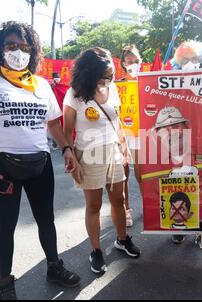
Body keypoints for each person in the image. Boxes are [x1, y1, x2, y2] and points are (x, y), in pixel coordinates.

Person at [0, 21, 81, 300]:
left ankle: (54, 266)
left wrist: (66, 150)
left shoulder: (40, 85)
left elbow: (52, 125)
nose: (18, 51)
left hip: (39, 164)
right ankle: (5, 282)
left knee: (46, 220)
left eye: (25, 47)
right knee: (6, 226)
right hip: (2, 167)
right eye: (11, 45)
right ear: (0, 49)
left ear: (34, 52)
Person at [63, 47, 141, 275]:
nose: (109, 80)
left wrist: (124, 147)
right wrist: (71, 157)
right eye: (105, 76)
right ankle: (96, 250)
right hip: (88, 155)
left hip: (114, 152)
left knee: (120, 199)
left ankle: (122, 239)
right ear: (89, 74)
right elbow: (67, 131)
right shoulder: (74, 95)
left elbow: (116, 121)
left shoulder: (112, 88)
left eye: (111, 76)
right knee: (94, 205)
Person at [167, 40, 202, 250]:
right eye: (185, 60)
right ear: (178, 62)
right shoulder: (170, 81)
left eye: (194, 59)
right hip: (179, 141)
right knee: (180, 182)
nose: (190, 63)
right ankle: (179, 227)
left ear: (201, 59)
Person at [119, 44, 144, 227]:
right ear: (123, 63)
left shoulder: (147, 83)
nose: (133, 64)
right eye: (129, 61)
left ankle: (147, 207)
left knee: (142, 174)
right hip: (122, 136)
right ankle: (126, 210)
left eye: (136, 61)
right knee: (124, 175)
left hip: (142, 135)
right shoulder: (116, 84)